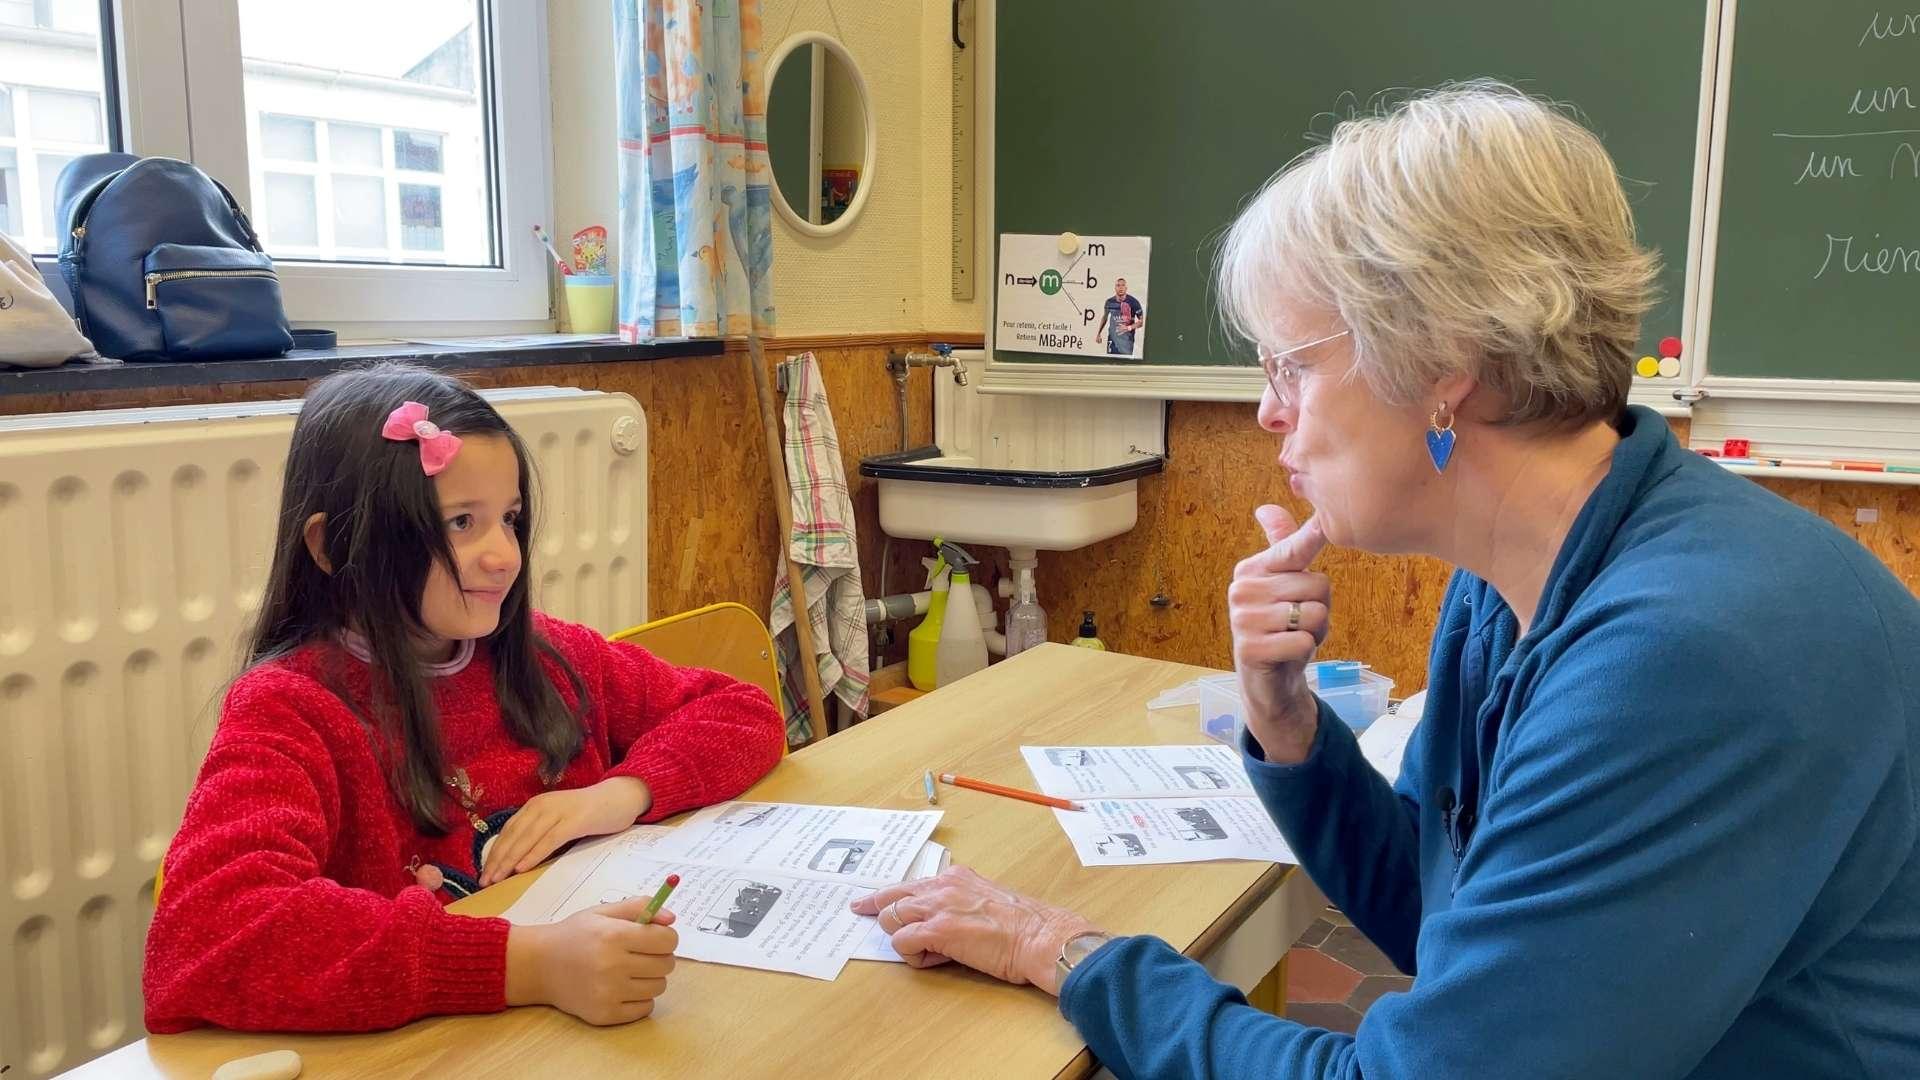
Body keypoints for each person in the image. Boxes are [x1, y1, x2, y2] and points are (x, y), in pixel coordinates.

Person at [853, 81, 1920, 1077]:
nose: (1272, 413)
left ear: (1441, 363)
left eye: (1294, 366)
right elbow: (1442, 910)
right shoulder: (1518, 579)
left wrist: (1066, 951)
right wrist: (1287, 725)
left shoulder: (1687, 655)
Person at [144, 363, 787, 1033]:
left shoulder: (547, 655)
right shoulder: (291, 709)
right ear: (333, 546)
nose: (504, 555)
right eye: (459, 523)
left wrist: (616, 795)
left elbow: (740, 711)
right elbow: (206, 936)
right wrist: (530, 965)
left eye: (509, 519)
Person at [1094, 277, 1145, 355]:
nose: (1120, 288)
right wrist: (1098, 333)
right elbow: (1105, 317)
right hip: (1112, 339)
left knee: (1124, 364)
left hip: (1127, 341)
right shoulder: (1109, 302)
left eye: (1123, 285)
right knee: (1111, 364)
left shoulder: (1134, 302)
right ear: (1115, 288)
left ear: (1126, 288)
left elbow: (1141, 322)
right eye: (1118, 285)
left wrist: (1129, 328)